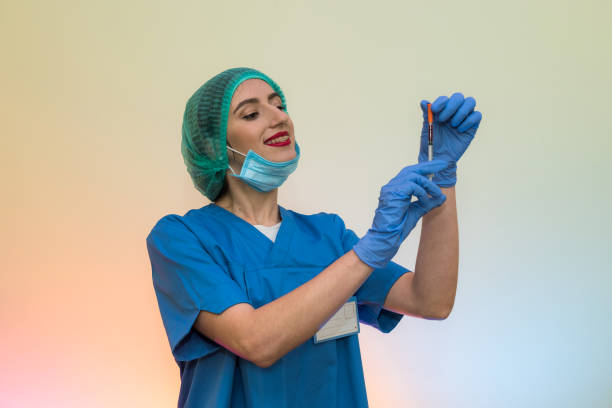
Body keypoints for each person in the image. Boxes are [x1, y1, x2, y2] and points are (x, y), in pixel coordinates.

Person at [146, 67, 482, 408]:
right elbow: (255, 341)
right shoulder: (182, 238)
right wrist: (368, 252)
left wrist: (440, 178)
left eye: (279, 106)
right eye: (251, 113)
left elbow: (430, 301)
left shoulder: (328, 236)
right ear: (211, 145)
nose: (278, 118)